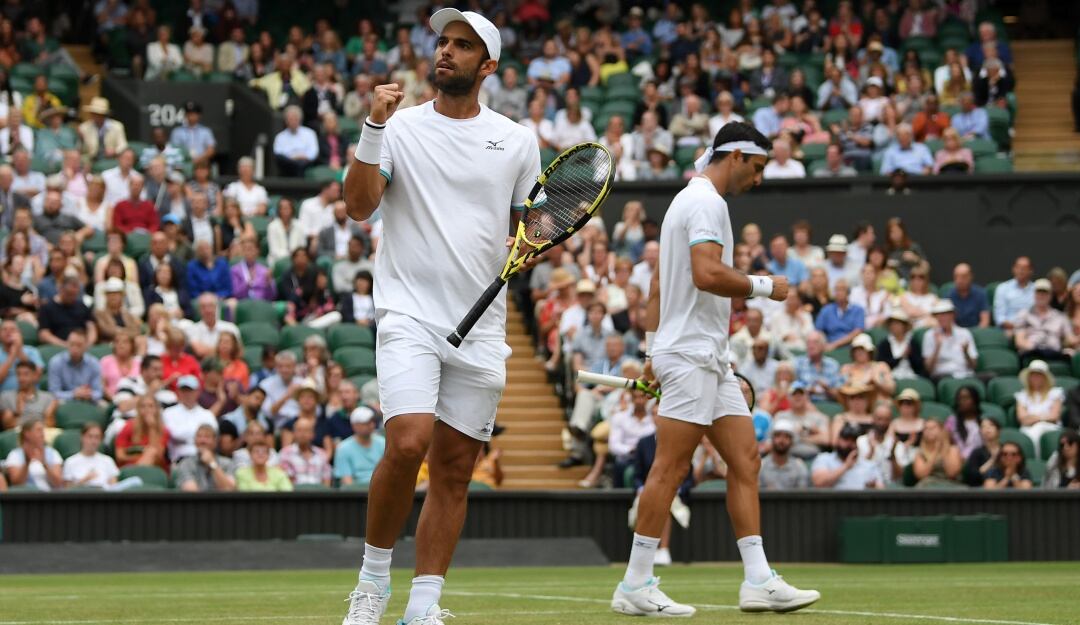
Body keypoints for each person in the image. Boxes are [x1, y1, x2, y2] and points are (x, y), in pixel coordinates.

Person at [340, 10, 544, 624]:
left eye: (462, 46)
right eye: (443, 43)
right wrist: (374, 126)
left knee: (455, 470)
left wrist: (532, 244)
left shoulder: (517, 141)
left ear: (488, 65)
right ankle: (372, 585)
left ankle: (424, 605)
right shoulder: (397, 128)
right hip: (408, 315)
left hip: (482, 327)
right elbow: (357, 207)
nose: (446, 52)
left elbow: (529, 227)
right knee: (407, 444)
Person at [609, 122, 817, 618]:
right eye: (759, 167)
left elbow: (660, 289)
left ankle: (758, 580)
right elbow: (706, 274)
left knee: (745, 460)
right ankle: (635, 583)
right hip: (692, 357)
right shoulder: (707, 202)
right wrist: (766, 286)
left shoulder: (687, 199)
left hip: (703, 357)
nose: (760, 179)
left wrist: (652, 352)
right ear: (738, 155)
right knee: (670, 467)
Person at [1014, 279, 1076, 365]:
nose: (1041, 296)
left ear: (1050, 295)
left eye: (1045, 293)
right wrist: (1031, 347)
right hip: (1032, 352)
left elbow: (1071, 340)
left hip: (1054, 353)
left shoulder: (1060, 316)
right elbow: (1019, 341)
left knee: (1070, 354)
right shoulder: (1024, 314)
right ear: (1034, 294)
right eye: (1039, 293)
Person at [811, 423, 886, 490]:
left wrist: (873, 489)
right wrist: (846, 466)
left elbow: (881, 492)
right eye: (846, 439)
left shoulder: (869, 466)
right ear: (838, 439)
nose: (850, 444)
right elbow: (819, 483)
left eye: (853, 440)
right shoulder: (824, 459)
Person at [1015, 360, 1064, 458]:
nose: (1036, 378)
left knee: (1039, 428)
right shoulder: (1022, 395)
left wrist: (1034, 418)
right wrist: (1043, 416)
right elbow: (1022, 418)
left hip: (1051, 427)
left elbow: (1054, 416)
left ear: (1045, 377)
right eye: (1033, 375)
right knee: (1034, 431)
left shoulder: (1055, 393)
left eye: (1039, 375)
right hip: (1028, 429)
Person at [163, 375, 217, 461]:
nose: (187, 394)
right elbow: (175, 434)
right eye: (183, 390)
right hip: (179, 459)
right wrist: (199, 436)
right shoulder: (168, 413)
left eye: (190, 390)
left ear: (198, 392)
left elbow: (212, 439)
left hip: (203, 458)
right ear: (178, 392)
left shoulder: (207, 414)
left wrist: (184, 437)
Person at [922, 300, 978, 380]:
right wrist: (937, 347)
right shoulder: (929, 335)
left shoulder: (965, 333)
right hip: (942, 376)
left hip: (965, 374)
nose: (941, 318)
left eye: (945, 314)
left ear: (952, 315)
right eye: (938, 315)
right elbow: (928, 369)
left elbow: (973, 366)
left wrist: (966, 353)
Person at [173, 423, 237, 492]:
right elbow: (191, 493)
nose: (202, 440)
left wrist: (212, 463)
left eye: (207, 437)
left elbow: (229, 490)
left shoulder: (228, 463)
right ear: (195, 441)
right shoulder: (186, 463)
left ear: (215, 441)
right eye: (199, 436)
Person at [115, 395, 171, 470]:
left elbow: (158, 456)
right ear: (138, 409)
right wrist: (138, 458)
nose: (147, 410)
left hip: (154, 469)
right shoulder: (129, 426)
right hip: (130, 467)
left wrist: (152, 428)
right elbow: (119, 456)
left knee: (151, 451)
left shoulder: (163, 431)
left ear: (157, 409)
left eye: (151, 406)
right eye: (143, 406)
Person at [4, 419, 63, 490]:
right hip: (26, 497)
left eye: (42, 430)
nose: (42, 434)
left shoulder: (52, 453)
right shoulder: (15, 455)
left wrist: (45, 464)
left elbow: (58, 483)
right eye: (38, 430)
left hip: (49, 497)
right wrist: (27, 463)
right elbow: (16, 484)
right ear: (27, 433)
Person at [333, 406, 385, 486]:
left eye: (372, 422)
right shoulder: (343, 448)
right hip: (355, 495)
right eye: (366, 423)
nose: (371, 425)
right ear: (354, 426)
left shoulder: (383, 443)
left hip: (382, 489)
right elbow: (347, 482)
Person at [0, 360, 56, 429]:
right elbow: (7, 427)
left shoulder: (47, 397)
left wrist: (48, 415)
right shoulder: (6, 396)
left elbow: (50, 426)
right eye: (18, 374)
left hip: (42, 431)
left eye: (26, 374)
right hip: (18, 432)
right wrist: (18, 411)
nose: (21, 378)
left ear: (35, 376)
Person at [62, 422, 119, 488]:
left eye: (97, 437)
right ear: (82, 437)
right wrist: (84, 480)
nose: (93, 441)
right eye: (90, 436)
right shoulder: (70, 462)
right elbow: (68, 490)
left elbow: (114, 488)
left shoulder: (108, 461)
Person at [279, 416, 333, 486]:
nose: (302, 434)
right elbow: (287, 483)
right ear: (294, 434)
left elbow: (327, 482)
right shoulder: (285, 453)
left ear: (313, 434)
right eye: (299, 430)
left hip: (319, 495)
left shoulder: (322, 454)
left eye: (306, 430)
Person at [911, 418, 964, 487]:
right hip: (927, 486)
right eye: (926, 428)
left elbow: (952, 473)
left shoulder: (953, 450)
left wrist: (944, 448)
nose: (929, 431)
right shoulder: (920, 452)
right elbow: (921, 475)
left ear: (942, 430)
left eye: (933, 428)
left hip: (951, 485)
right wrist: (935, 451)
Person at [758, 420, 810, 490]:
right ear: (772, 439)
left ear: (792, 441)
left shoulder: (799, 467)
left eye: (786, 436)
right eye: (778, 436)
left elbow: (802, 495)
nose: (781, 440)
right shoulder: (761, 466)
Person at [816, 279, 865, 350]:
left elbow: (858, 331)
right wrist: (824, 343)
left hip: (852, 345)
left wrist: (835, 344)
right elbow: (818, 330)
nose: (839, 293)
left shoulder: (858, 310)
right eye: (837, 290)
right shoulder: (826, 310)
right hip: (829, 344)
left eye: (842, 290)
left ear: (848, 292)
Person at [273, 105, 319, 177]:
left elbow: (313, 152)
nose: (293, 121)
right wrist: (293, 158)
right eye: (290, 119)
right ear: (286, 121)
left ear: (300, 119)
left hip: (305, 162)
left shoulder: (310, 133)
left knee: (302, 164)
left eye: (295, 119)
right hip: (288, 164)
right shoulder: (280, 136)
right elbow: (278, 153)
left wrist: (302, 157)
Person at [994, 256, 1035, 331]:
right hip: (1009, 329)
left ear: (1031, 270)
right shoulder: (1003, 288)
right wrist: (1017, 327)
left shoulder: (1036, 290)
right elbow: (1000, 318)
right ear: (1013, 269)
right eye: (1018, 267)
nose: (1021, 270)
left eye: (1025, 268)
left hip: (1032, 329)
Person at [169, 101, 215, 167]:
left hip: (201, 164)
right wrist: (187, 162)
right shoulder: (177, 132)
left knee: (203, 168)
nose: (191, 116)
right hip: (183, 164)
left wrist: (197, 160)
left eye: (193, 114)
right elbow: (174, 150)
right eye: (188, 114)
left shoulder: (205, 131)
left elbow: (211, 150)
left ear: (199, 115)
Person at [946, 263, 990, 328]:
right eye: (956, 277)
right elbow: (948, 322)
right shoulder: (949, 296)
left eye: (963, 277)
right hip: (957, 334)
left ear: (970, 276)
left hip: (977, 332)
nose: (959, 280)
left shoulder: (980, 294)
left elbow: (985, 321)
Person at [963, 416, 1004, 486]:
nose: (987, 429)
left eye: (991, 425)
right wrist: (992, 461)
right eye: (983, 426)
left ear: (999, 430)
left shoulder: (1007, 450)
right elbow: (972, 477)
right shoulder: (976, 452)